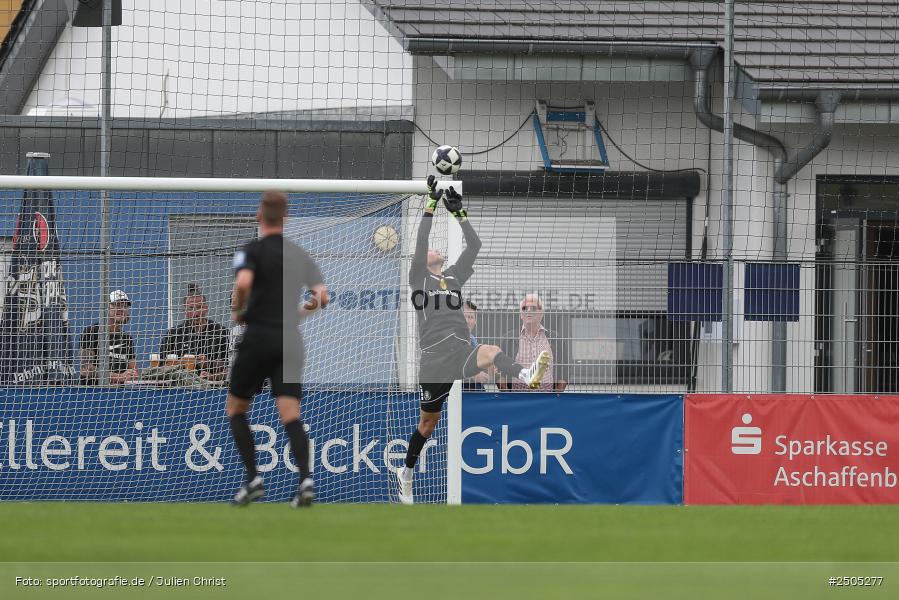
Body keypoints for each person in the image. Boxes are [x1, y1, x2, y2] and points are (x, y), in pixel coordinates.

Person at [396, 177, 550, 505]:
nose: (432, 251)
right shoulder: (418, 280)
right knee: (427, 426)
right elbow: (422, 241)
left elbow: (475, 245)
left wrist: (459, 212)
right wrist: (430, 204)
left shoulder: (452, 276)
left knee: (492, 351)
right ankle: (406, 472)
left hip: (460, 350)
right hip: (434, 358)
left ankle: (527, 375)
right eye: (428, 252)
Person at [227, 190, 329, 509]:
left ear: (260, 214)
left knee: (237, 408)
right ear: (285, 217)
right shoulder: (299, 253)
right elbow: (322, 296)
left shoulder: (250, 251)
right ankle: (306, 481)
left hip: (258, 336)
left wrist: (237, 311)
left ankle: (254, 478)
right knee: (290, 414)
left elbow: (243, 283)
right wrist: (300, 313)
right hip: (289, 338)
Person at [159, 283, 229, 382]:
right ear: (184, 310)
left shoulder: (220, 332)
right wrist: (182, 363)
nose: (196, 314)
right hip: (179, 388)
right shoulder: (173, 334)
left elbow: (228, 367)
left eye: (199, 307)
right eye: (191, 308)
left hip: (213, 389)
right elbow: (160, 367)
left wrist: (209, 364)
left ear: (206, 308)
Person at [498, 294, 568, 392]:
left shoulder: (555, 338)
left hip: (546, 398)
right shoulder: (509, 338)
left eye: (533, 308)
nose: (529, 311)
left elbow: (565, 370)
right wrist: (507, 394)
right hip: (517, 398)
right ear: (521, 314)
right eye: (525, 308)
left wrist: (557, 395)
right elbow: (499, 369)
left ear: (541, 313)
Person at [79, 290, 138, 385]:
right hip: (94, 393)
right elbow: (86, 369)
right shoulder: (92, 332)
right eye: (117, 305)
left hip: (121, 394)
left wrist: (131, 375)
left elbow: (134, 370)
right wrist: (119, 377)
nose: (121, 309)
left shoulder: (127, 338)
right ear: (106, 308)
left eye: (125, 306)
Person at [462, 300, 490, 391]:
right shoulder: (451, 338)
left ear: (475, 321)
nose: (467, 321)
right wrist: (474, 376)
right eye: (464, 316)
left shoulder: (473, 340)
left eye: (470, 317)